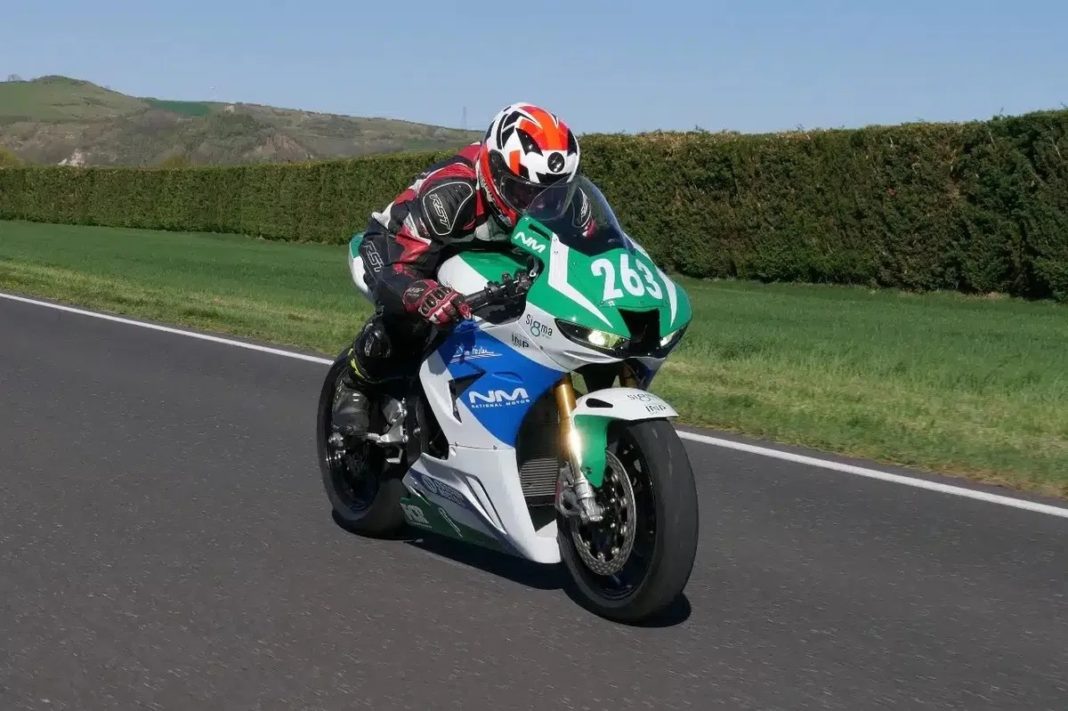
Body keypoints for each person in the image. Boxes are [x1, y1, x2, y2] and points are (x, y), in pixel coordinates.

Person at [332, 103, 582, 437]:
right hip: (399, 246)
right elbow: (400, 263)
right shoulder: (452, 195)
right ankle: (355, 383)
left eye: (550, 194)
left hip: (479, 252)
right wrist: (420, 292)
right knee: (413, 317)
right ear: (495, 171)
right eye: (524, 191)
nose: (537, 203)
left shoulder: (566, 203)